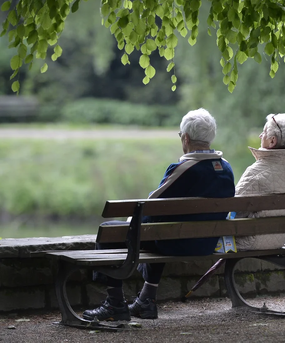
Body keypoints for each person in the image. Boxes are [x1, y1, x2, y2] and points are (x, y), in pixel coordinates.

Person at [82, 108, 236, 322]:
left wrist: (130, 224)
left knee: (112, 231)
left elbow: (150, 205)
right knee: (161, 228)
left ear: (186, 138)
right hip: (206, 243)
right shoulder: (226, 168)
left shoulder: (185, 168)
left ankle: (115, 303)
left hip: (179, 243)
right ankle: (147, 300)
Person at [234, 113, 285, 252]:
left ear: (272, 141)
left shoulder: (256, 172)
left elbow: (232, 209)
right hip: (279, 240)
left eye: (264, 132)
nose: (260, 136)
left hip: (251, 241)